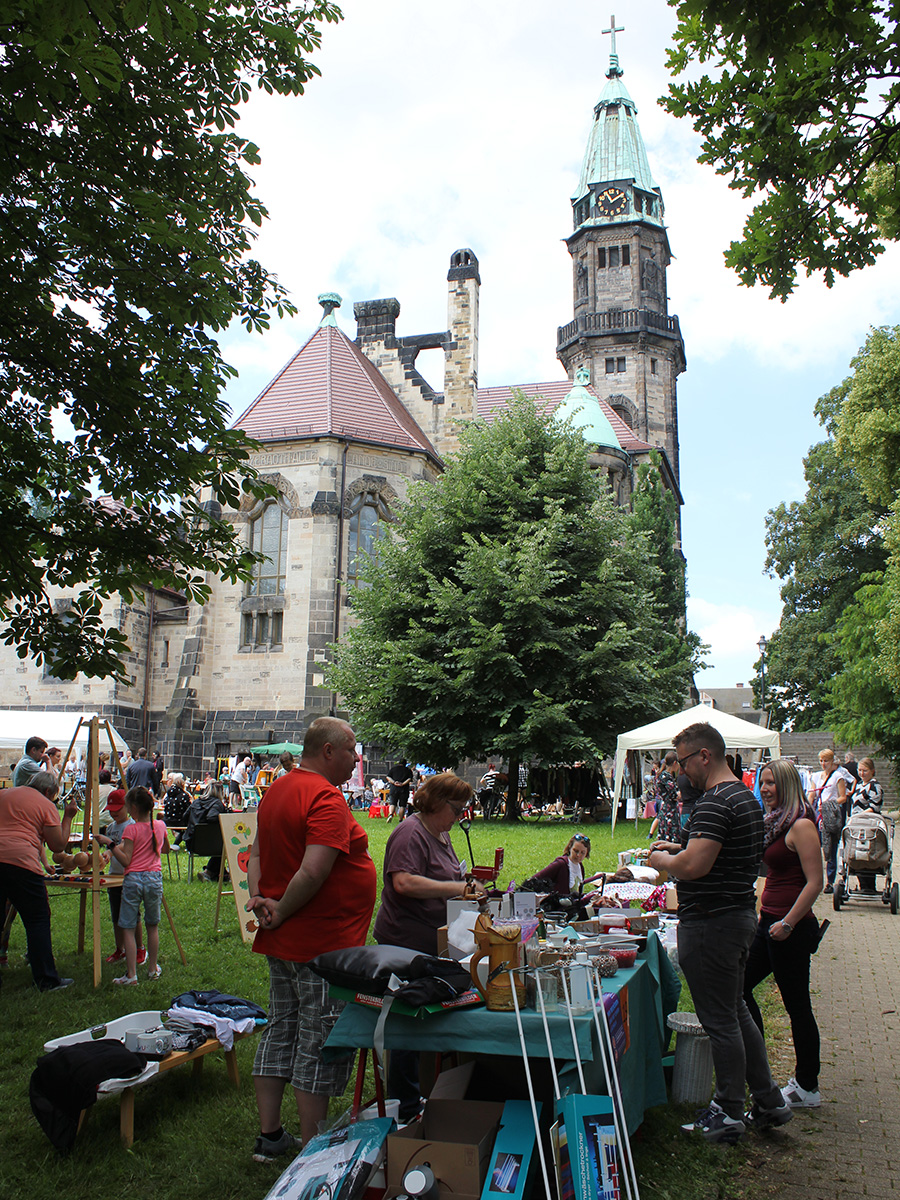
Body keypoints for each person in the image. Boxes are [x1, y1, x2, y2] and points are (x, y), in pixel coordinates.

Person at [649, 722, 791, 1143]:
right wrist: (682, 849)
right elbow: (714, 853)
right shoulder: (743, 798)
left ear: (705, 756)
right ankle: (768, 1099)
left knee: (719, 1020)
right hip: (736, 916)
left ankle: (728, 1111)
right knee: (735, 1011)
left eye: (684, 762)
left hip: (711, 923)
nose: (681, 771)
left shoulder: (714, 801)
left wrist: (663, 861)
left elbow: (696, 866)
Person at [246, 717, 377, 1161]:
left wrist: (260, 900)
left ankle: (270, 1137)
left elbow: (256, 853)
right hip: (321, 943)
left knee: (281, 1027)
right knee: (317, 1040)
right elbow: (315, 870)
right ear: (328, 751)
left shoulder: (277, 789)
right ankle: (311, 1153)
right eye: (351, 750)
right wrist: (280, 908)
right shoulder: (325, 797)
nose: (356, 758)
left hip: (284, 938)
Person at [373, 772, 485, 1121]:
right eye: (457, 809)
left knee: (423, 1019)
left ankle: (417, 1094)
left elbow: (448, 876)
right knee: (407, 1021)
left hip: (430, 942)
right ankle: (404, 1105)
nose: (460, 817)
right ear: (437, 803)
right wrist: (455, 889)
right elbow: (404, 882)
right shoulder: (410, 833)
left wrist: (468, 884)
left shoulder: (440, 833)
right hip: (404, 942)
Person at [742, 759, 823, 1112]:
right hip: (769, 923)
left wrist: (788, 922)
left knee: (797, 1006)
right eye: (762, 782)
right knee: (740, 987)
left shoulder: (801, 824)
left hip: (790, 929)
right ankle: (759, 1071)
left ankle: (807, 1086)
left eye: (772, 782)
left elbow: (815, 882)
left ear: (788, 785)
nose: (765, 789)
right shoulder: (775, 822)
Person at [0, 771, 79, 991]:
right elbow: (58, 845)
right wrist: (68, 816)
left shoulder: (4, 794)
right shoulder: (45, 805)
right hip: (22, 863)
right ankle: (46, 979)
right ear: (47, 791)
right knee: (37, 920)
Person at [94, 786, 168, 985]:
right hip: (154, 879)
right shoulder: (160, 825)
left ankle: (131, 975)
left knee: (127, 927)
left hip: (133, 879)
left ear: (133, 808)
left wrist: (110, 845)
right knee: (152, 926)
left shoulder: (131, 829)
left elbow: (126, 860)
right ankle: (152, 969)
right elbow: (166, 849)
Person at [99, 789, 147, 966]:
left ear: (127, 807)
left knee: (133, 915)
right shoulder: (111, 828)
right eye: (110, 810)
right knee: (116, 915)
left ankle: (140, 948)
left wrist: (110, 850)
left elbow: (124, 845)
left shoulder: (132, 826)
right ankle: (120, 949)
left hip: (130, 876)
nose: (113, 813)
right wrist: (104, 857)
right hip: (114, 876)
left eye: (117, 810)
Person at [808, 748, 850, 894]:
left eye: (826, 761)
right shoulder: (815, 776)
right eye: (821, 761)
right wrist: (808, 809)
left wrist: (828, 805)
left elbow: (843, 797)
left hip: (831, 815)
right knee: (814, 846)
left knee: (831, 848)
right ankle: (813, 879)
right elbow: (812, 795)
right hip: (818, 816)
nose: (823, 763)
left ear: (832, 761)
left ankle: (830, 881)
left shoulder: (838, 777)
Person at [850, 757, 885, 892]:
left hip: (868, 823)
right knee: (857, 851)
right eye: (859, 770)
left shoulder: (875, 786)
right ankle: (863, 885)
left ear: (872, 771)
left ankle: (869, 886)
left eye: (865, 770)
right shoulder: (859, 784)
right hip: (856, 823)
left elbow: (874, 806)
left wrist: (860, 815)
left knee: (867, 851)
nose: (862, 773)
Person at [183, 780, 230, 879]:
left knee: (221, 845)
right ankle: (210, 872)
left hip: (191, 842)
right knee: (225, 844)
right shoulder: (217, 803)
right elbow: (211, 817)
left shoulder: (196, 802)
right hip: (210, 844)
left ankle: (219, 873)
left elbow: (185, 816)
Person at [524, 834, 592, 897]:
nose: (578, 855)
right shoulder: (560, 864)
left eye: (582, 853)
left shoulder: (580, 867)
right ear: (570, 848)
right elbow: (534, 880)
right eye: (575, 851)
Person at [649, 751, 681, 842]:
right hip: (670, 810)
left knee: (665, 834)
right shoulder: (666, 777)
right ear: (675, 763)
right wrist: (679, 794)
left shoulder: (662, 775)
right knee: (671, 835)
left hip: (665, 808)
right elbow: (673, 795)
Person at [385, 758, 414, 822]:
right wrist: (402, 784)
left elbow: (388, 777)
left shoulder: (393, 769)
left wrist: (394, 782)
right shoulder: (408, 770)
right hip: (404, 789)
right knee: (402, 805)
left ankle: (390, 815)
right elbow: (409, 779)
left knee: (392, 803)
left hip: (394, 788)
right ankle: (400, 819)